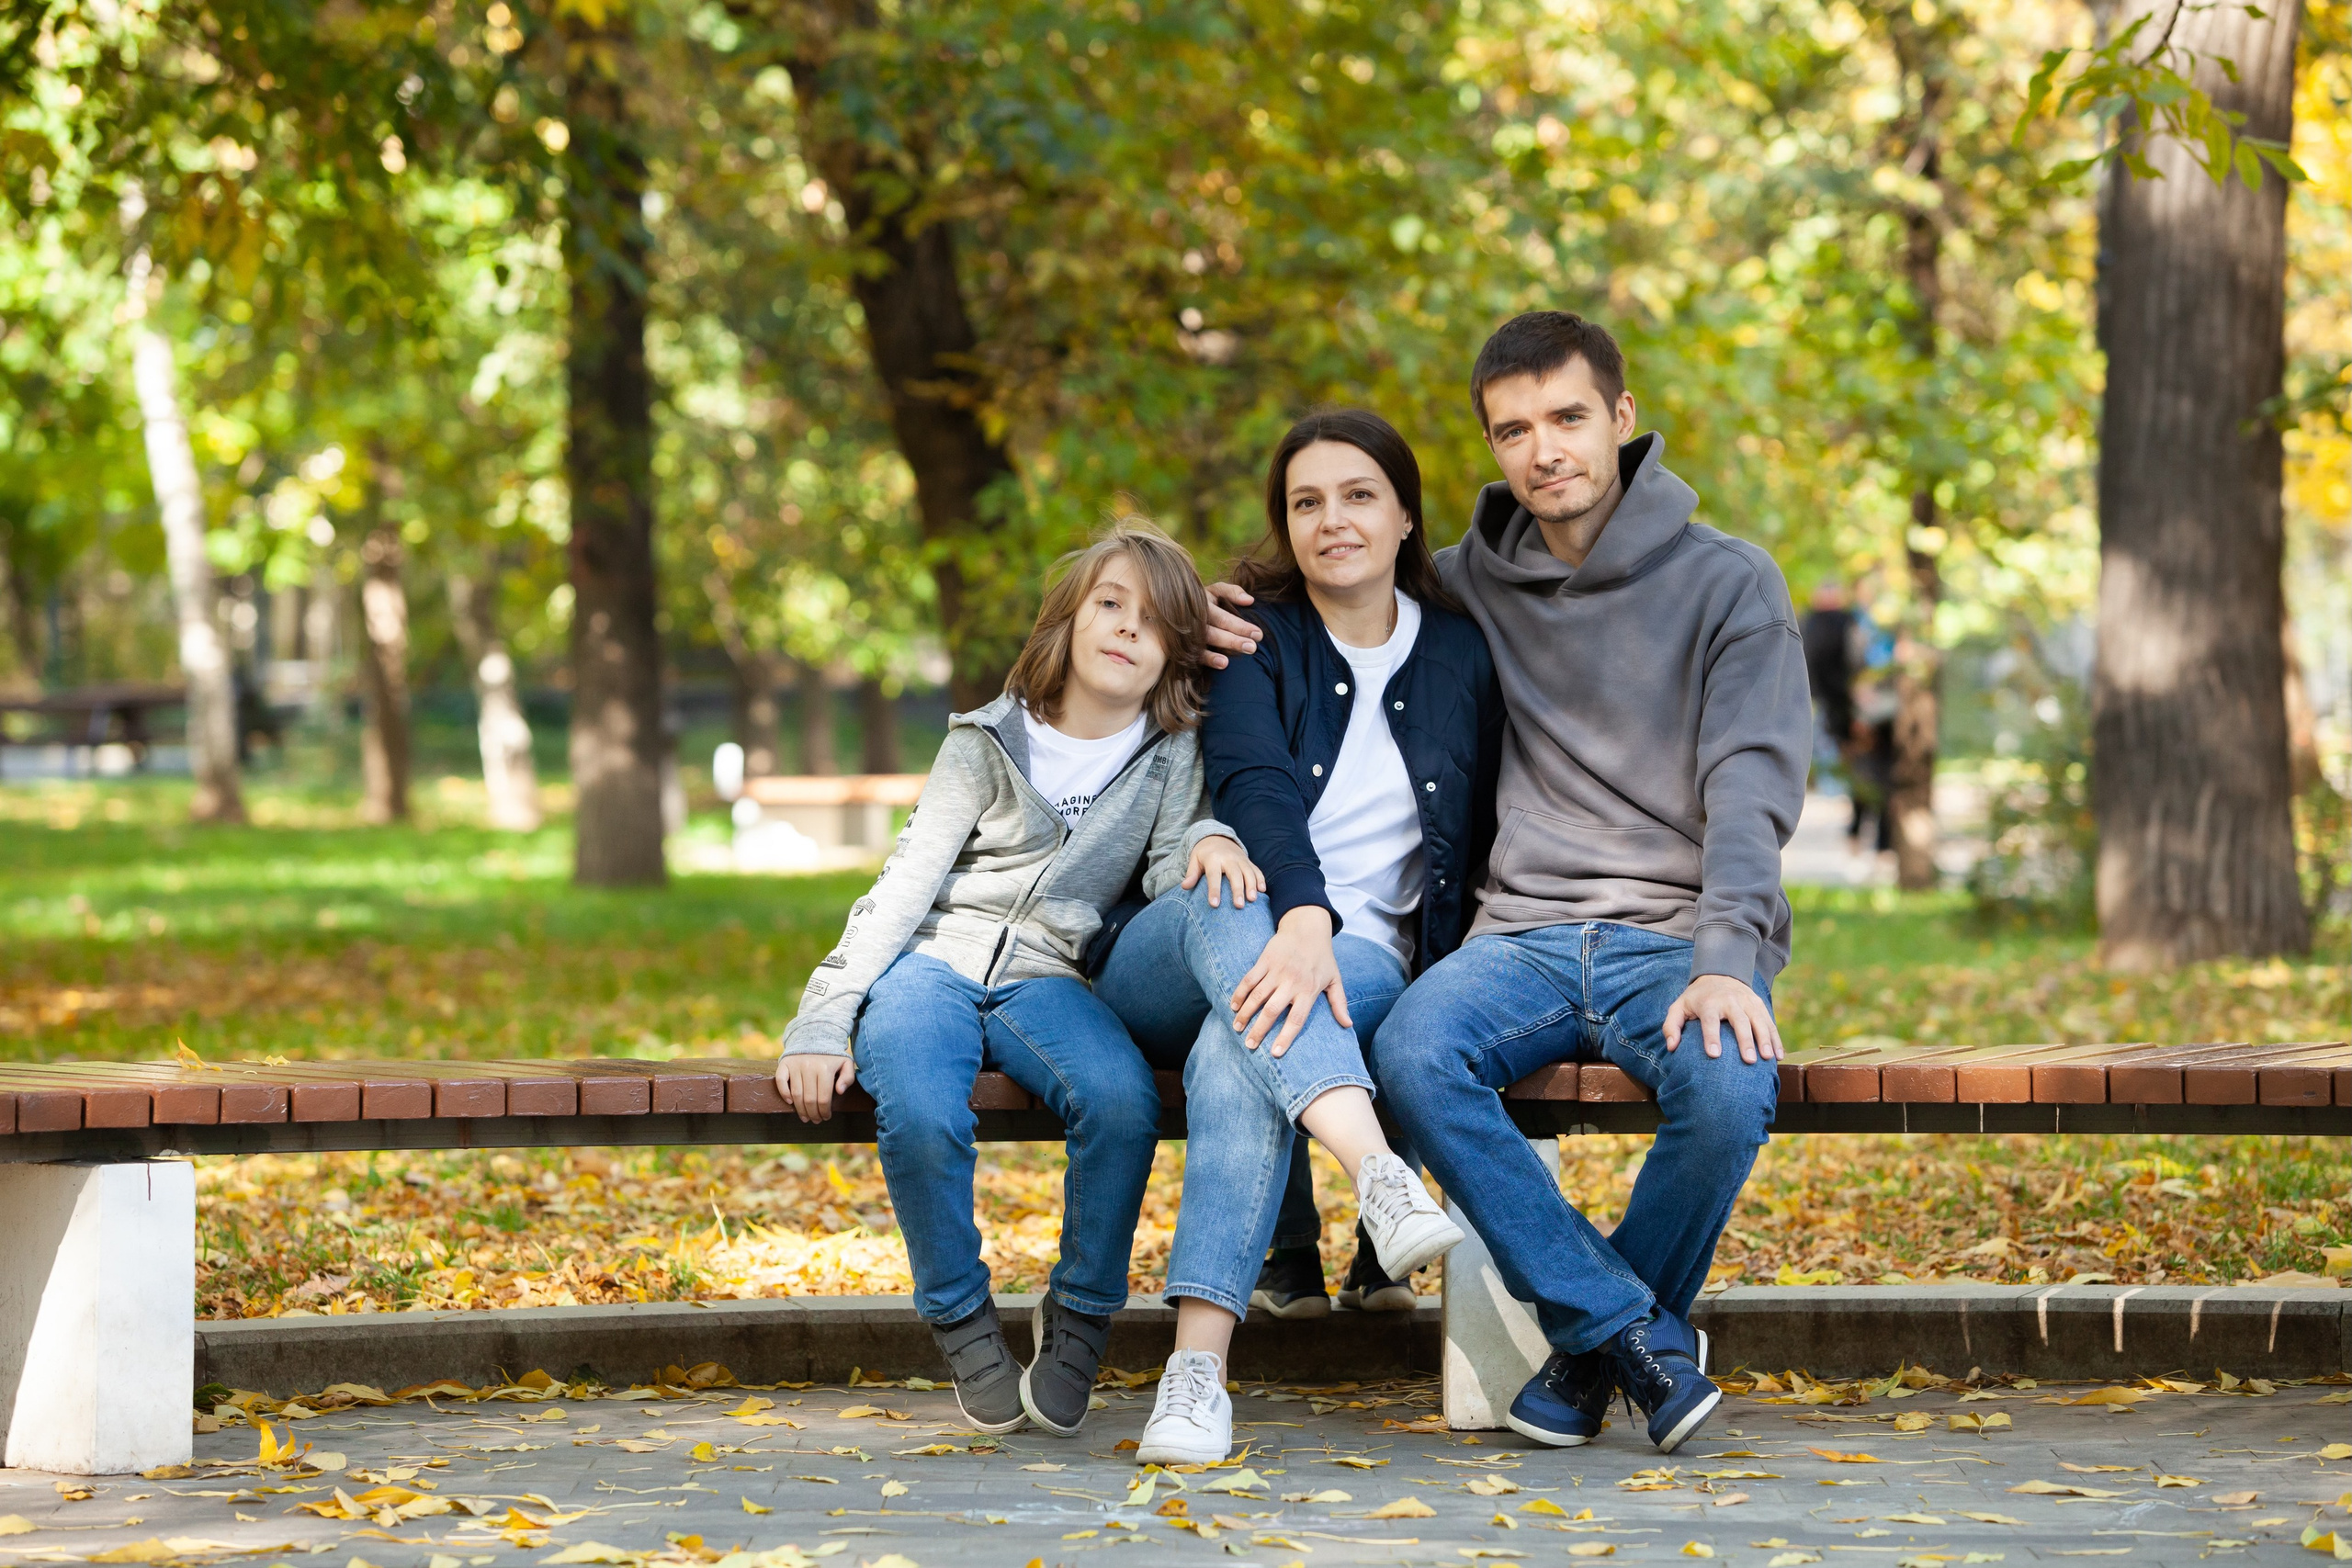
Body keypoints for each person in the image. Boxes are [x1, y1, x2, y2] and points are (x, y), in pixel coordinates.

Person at [1205, 312, 1810, 1456]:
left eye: (1569, 418)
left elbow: (1751, 783)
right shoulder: (1469, 588)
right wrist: (1223, 613)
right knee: (1414, 1053)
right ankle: (1632, 1336)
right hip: (1517, 937)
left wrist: (1729, 959)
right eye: (1513, 429)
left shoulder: (1732, 583)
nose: (1545, 452)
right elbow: (1341, 586)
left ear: (1622, 420)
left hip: (1677, 936)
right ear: (1489, 446)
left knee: (1729, 1086)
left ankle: (1592, 1351)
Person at [775, 519, 1261, 1438]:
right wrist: (822, 1017)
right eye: (1108, 605)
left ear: (1173, 655)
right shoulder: (985, 741)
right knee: (919, 1105)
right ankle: (958, 1313)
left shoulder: (1168, 755)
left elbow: (1168, 875)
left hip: (1051, 977)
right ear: (1068, 623)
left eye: (1152, 621)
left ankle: (1080, 1316)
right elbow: (902, 886)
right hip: (931, 965)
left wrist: (1208, 835)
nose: (1125, 628)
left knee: (1120, 1101)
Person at [1092, 409, 1494, 1465]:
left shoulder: (1461, 651)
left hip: (1358, 962)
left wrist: (1327, 938)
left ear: (1406, 514)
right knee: (1232, 882)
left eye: (1358, 495)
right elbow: (1257, 783)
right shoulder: (1253, 635)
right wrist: (1303, 913)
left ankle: (1195, 1378)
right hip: (1181, 945)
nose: (1332, 520)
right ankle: (1377, 1174)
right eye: (1305, 502)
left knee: (1244, 1043)